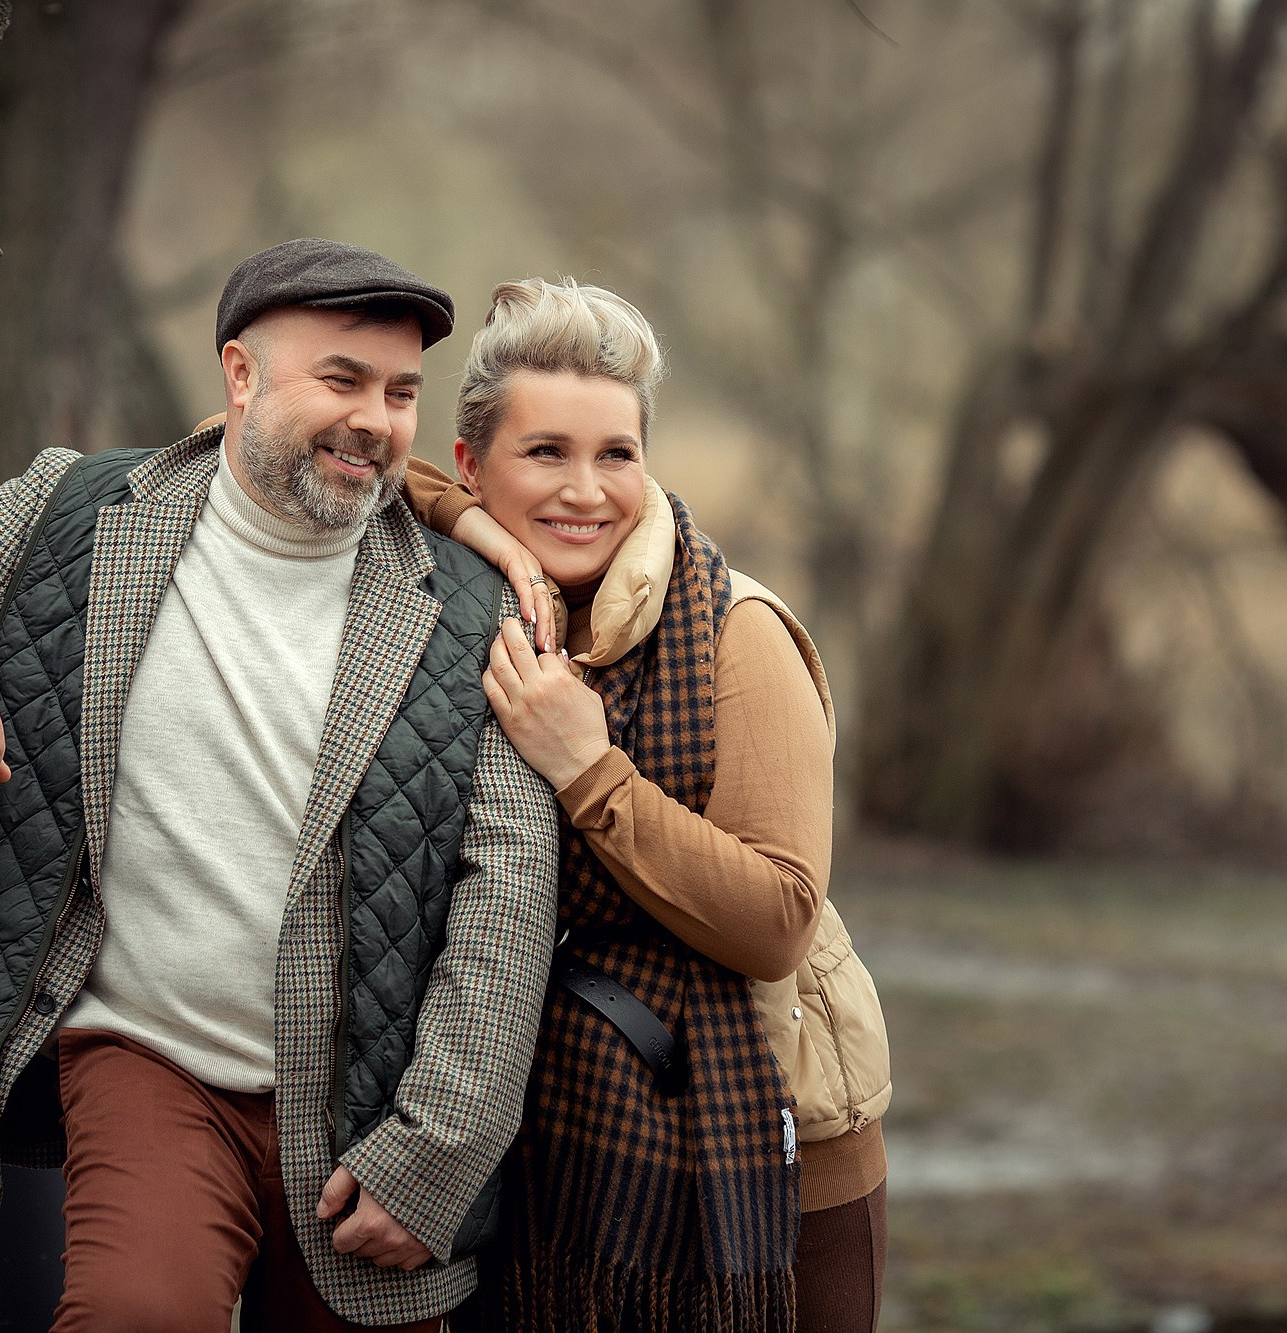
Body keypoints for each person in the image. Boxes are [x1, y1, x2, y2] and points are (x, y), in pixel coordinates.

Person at [0, 239, 562, 1332]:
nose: (376, 421)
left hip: (369, 1109)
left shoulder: (472, 609)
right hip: (150, 1063)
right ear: (238, 376)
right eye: (338, 379)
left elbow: (508, 903)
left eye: (399, 394)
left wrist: (432, 1156)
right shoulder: (81, 516)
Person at [411, 278, 894, 1333]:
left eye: (616, 454)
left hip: (768, 1168)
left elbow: (776, 921)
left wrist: (588, 770)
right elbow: (267, 434)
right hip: (541, 1147)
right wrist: (460, 524)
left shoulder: (737, 632)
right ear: (468, 464)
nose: (585, 490)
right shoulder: (467, 603)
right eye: (544, 452)